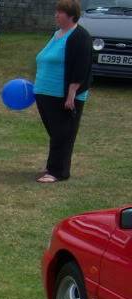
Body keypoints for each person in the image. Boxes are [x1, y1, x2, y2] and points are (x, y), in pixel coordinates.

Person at [33, 0, 92, 183]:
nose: (56, 15)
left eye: (60, 12)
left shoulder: (80, 36)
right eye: (57, 12)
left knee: (63, 133)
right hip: (46, 93)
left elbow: (81, 68)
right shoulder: (57, 33)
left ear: (71, 15)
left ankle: (58, 172)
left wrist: (71, 94)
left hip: (64, 95)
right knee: (56, 132)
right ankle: (54, 165)